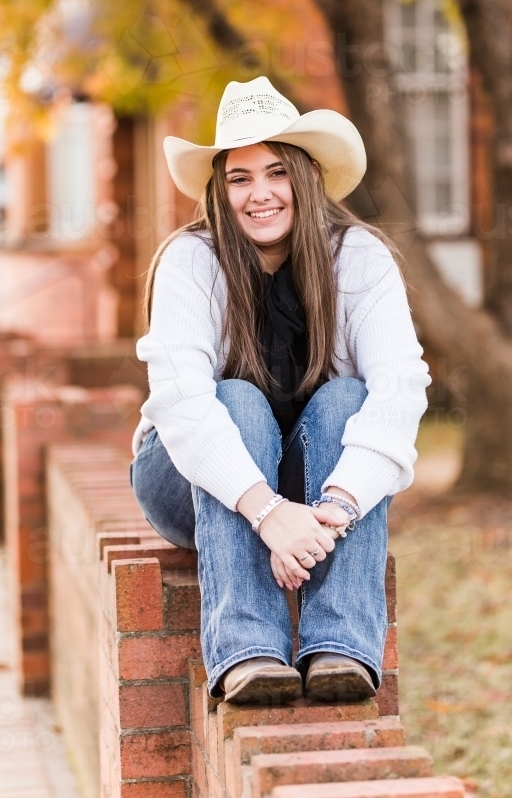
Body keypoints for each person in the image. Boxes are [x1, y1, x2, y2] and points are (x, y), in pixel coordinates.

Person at [130, 76, 430, 705]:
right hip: (187, 481)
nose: (259, 194)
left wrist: (336, 510)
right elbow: (184, 407)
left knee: (348, 400)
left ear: (306, 178)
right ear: (220, 190)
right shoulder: (190, 261)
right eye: (239, 178)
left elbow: (399, 390)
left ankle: (339, 649)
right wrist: (268, 513)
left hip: (315, 492)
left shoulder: (359, 258)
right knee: (233, 398)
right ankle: (249, 653)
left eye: (275, 172)